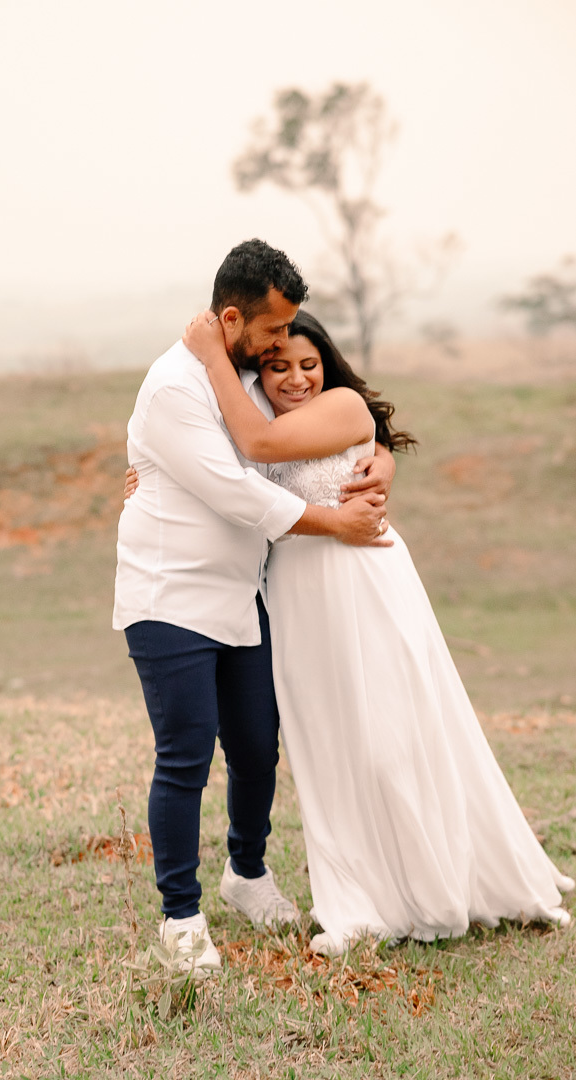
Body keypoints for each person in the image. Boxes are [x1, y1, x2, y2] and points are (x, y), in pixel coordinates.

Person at [181, 307, 573, 955]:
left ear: (328, 364)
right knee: (328, 749)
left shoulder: (339, 407)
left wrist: (212, 358)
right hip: (299, 601)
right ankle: (356, 907)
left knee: (393, 737)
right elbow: (230, 468)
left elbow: (266, 448)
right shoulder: (254, 418)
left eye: (308, 363)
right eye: (277, 366)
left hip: (365, 584)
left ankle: (444, 881)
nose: (296, 377)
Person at [112, 239, 396, 976]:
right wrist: (336, 524)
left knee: (255, 742)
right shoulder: (175, 386)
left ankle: (247, 873)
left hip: (245, 592)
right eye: (272, 332)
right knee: (186, 756)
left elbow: (306, 441)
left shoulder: (240, 372)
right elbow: (236, 491)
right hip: (170, 594)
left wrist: (380, 456)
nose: (280, 348)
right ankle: (180, 919)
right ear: (234, 317)